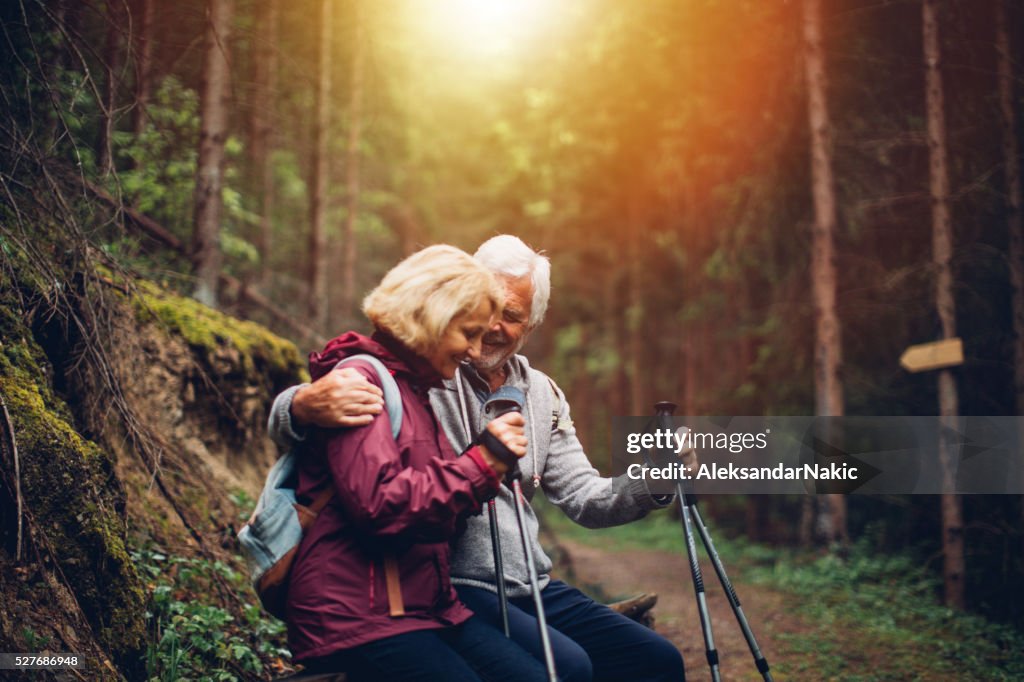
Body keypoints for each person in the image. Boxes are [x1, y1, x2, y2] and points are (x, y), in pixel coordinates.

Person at [273, 236, 688, 682]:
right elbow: (355, 393)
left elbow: (583, 496)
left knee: (656, 660)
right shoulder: (433, 367)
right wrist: (297, 404)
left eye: (511, 316)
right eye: (483, 309)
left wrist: (656, 478)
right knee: (568, 668)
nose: (490, 328)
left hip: (530, 583)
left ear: (531, 325)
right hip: (455, 585)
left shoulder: (543, 395)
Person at [285, 244, 549, 682]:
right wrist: (483, 462)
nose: (472, 349)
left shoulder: (415, 389)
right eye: (467, 333)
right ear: (433, 317)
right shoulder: (363, 383)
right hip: (357, 613)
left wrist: (486, 467)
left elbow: (432, 501)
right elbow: (379, 505)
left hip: (424, 604)